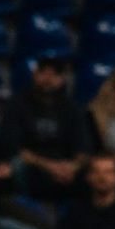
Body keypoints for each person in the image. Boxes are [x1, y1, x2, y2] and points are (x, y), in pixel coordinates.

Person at [11, 56, 90, 205]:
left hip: (66, 169)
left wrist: (73, 166)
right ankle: (25, 207)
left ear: (62, 79)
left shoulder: (73, 108)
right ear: (35, 75)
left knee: (99, 169)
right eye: (43, 73)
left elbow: (83, 147)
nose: (48, 79)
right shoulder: (18, 104)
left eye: (54, 75)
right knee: (16, 165)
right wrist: (49, 166)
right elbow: (14, 146)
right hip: (33, 167)